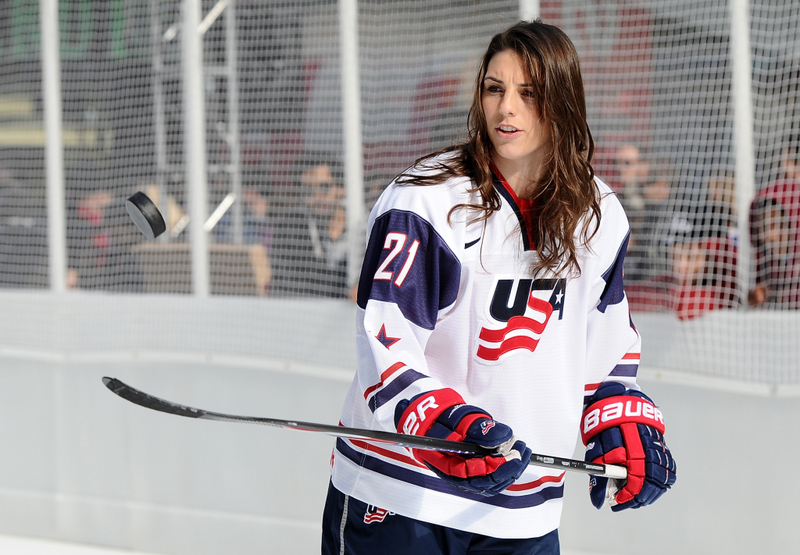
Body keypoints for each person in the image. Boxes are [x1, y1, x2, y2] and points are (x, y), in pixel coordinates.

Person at [321, 20, 677, 555]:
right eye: (495, 88)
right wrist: (440, 419)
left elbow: (606, 348)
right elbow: (385, 341)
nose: (506, 108)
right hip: (402, 496)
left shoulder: (599, 214)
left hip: (523, 509)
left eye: (528, 92)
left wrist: (618, 411)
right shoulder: (425, 202)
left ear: (563, 101)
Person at [269, 154, 350, 298]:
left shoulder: (367, 225)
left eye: (324, 188)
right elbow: (285, 285)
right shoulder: (290, 228)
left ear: (341, 189)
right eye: (308, 191)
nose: (317, 197)